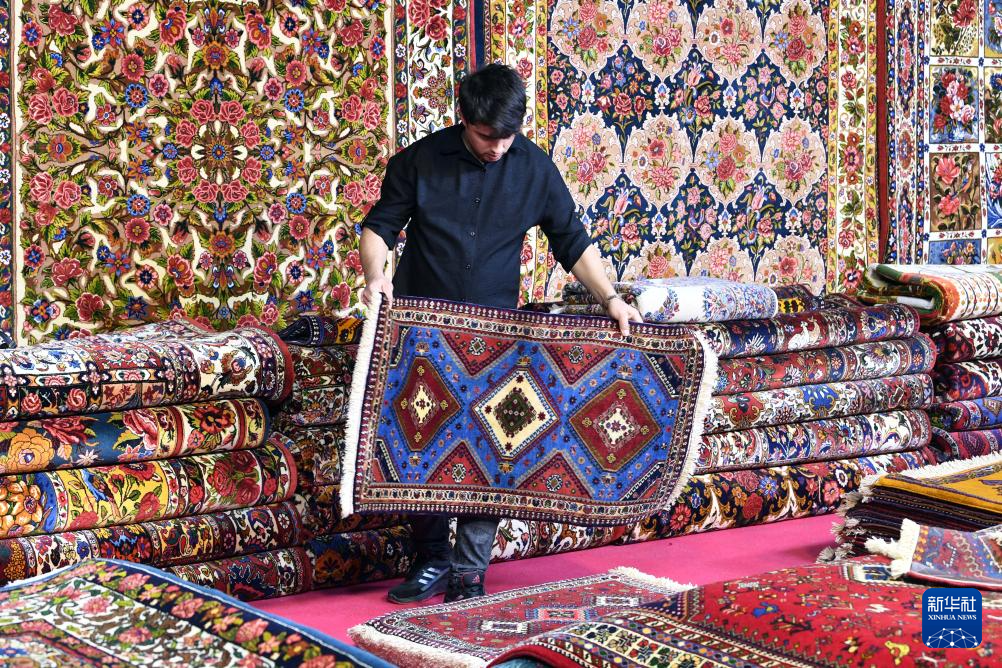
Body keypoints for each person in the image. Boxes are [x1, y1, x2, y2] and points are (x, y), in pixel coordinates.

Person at [359, 64, 643, 604]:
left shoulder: (534, 168)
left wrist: (610, 299)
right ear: (464, 118)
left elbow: (571, 240)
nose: (498, 147)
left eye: (508, 136)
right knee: (419, 444)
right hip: (421, 332)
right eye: (488, 135)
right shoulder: (418, 161)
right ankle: (431, 560)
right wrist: (377, 276)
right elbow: (379, 227)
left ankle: (470, 573)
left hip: (496, 339)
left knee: (491, 450)